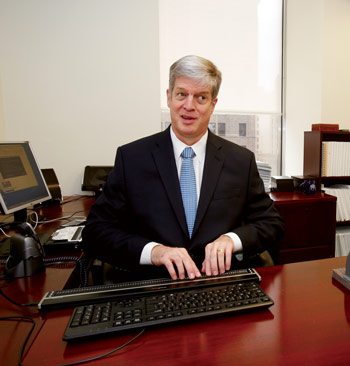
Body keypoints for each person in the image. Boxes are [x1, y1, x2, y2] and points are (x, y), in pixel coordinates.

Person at [82, 55, 284, 281]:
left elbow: (271, 224)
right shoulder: (132, 159)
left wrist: (231, 240)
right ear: (169, 97)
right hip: (152, 285)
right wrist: (154, 252)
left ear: (213, 104)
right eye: (181, 94)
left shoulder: (240, 161)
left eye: (201, 97)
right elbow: (96, 232)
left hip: (220, 284)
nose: (189, 106)